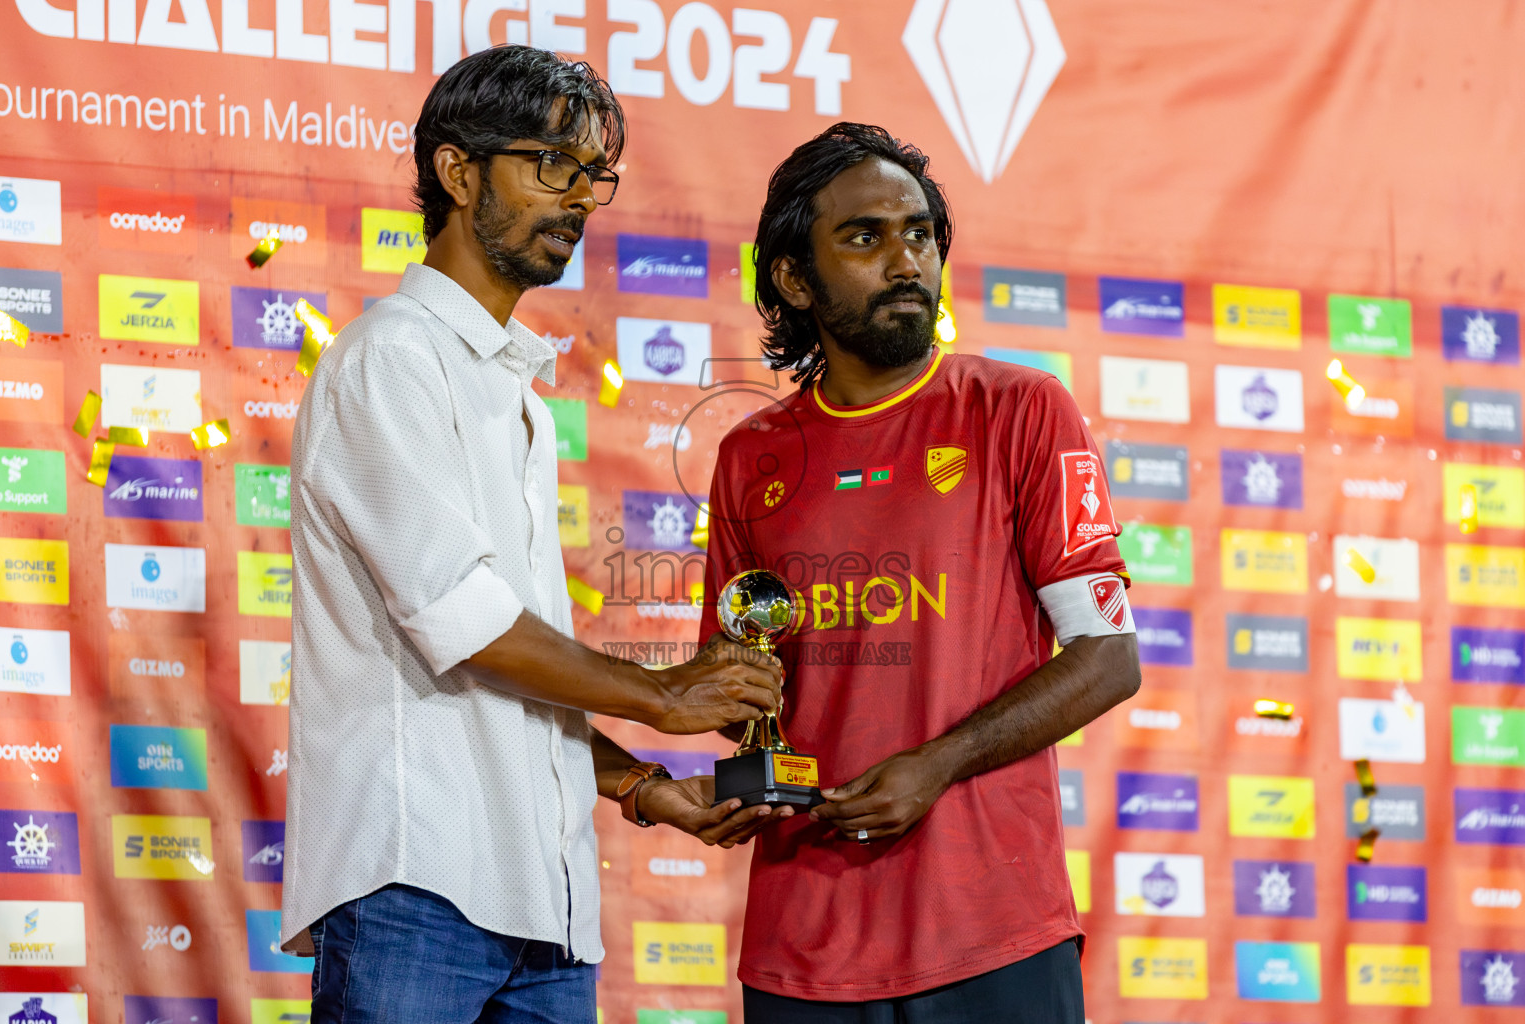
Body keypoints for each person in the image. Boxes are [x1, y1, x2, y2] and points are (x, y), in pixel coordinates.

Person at [282, 46, 784, 1024]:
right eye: (552, 163)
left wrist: (640, 785)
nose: (582, 197)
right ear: (457, 172)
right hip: (413, 887)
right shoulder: (390, 359)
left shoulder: (515, 390)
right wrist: (663, 693)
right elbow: (464, 623)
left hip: (547, 908)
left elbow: (505, 674)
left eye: (595, 172)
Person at [696, 123, 1144, 1022]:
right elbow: (735, 680)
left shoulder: (1021, 409)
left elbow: (1108, 656)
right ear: (794, 278)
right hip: (803, 945)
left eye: (921, 234)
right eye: (865, 237)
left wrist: (936, 765)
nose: (906, 260)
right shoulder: (750, 454)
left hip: (992, 930)